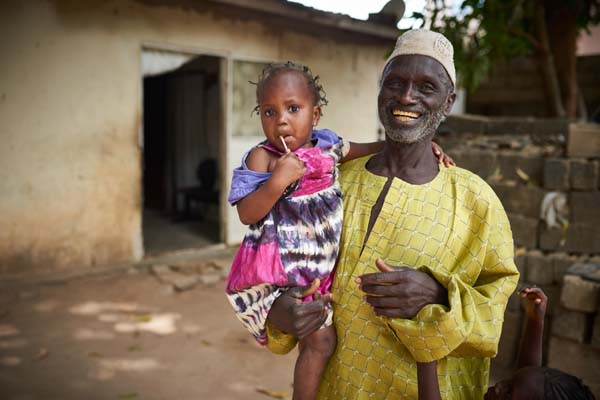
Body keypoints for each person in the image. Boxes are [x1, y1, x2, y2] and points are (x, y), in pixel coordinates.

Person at [265, 30, 520, 399]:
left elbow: (494, 308)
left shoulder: (476, 201)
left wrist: (439, 293)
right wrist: (282, 310)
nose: (406, 97)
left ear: (448, 102)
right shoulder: (327, 183)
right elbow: (269, 269)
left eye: (426, 87)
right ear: (380, 91)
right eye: (395, 83)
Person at [225, 61, 453, 400]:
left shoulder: (328, 147)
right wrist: (277, 182)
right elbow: (247, 213)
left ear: (315, 115)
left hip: (315, 268)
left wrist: (424, 146)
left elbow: (369, 148)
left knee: (323, 341)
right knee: (316, 338)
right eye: (269, 112)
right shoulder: (264, 157)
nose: (281, 121)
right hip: (277, 269)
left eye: (292, 108)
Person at [417, 287, 596, 400]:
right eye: (510, 381)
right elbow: (528, 372)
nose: (500, 386)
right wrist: (536, 320)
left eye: (508, 393)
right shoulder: (523, 392)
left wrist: (427, 356)